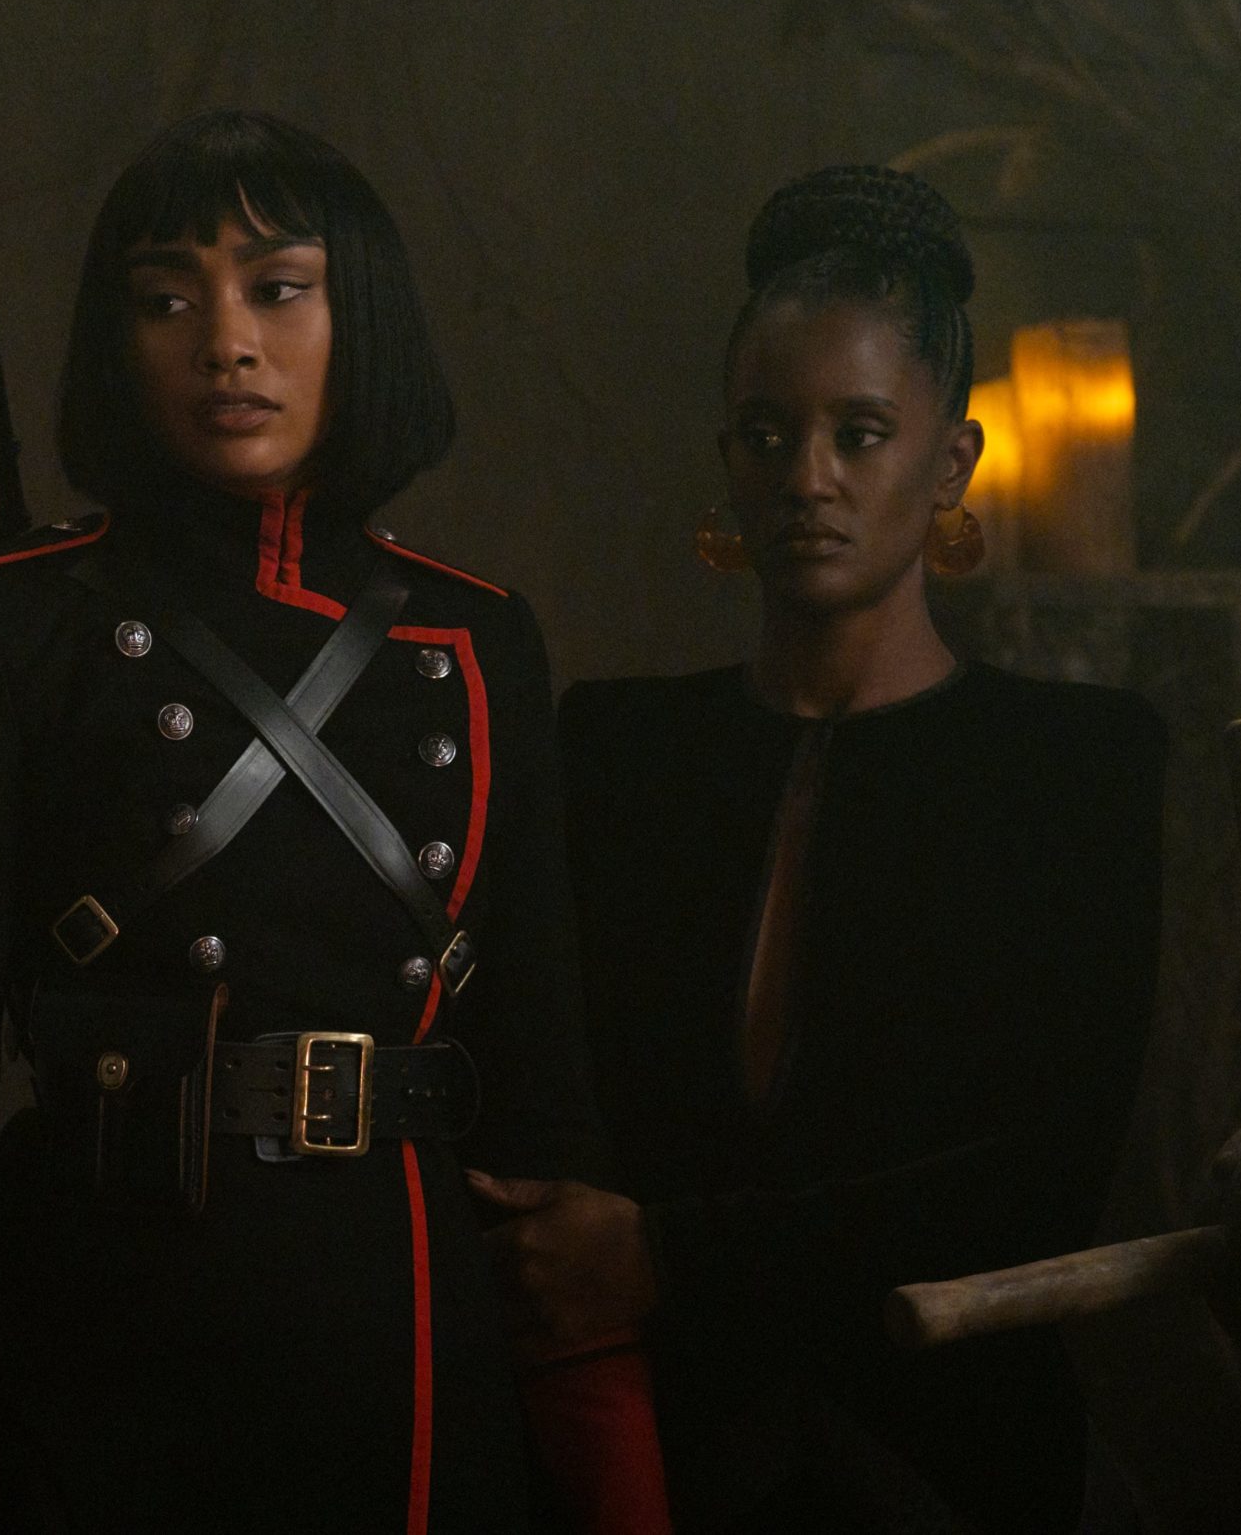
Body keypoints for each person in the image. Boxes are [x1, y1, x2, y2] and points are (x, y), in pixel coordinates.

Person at [0, 109, 650, 1534]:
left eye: (279, 289)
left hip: (411, 1359)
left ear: (363, 315)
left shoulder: (484, 640)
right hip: (101, 1347)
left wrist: (621, 1496)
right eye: (168, 300)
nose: (226, 343)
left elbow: (546, 1122)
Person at [475, 165, 1166, 1533]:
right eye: (766, 433)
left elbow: (1042, 1180)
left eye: (860, 434)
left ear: (951, 460)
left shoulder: (1073, 766)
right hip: (648, 1458)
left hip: (949, 1462)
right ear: (725, 456)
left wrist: (669, 1258)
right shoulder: (614, 752)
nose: (807, 479)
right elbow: (545, 1111)